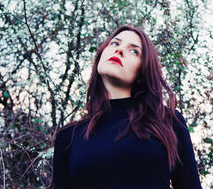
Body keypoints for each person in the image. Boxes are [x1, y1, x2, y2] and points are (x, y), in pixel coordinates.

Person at [52, 25, 202, 189]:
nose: (120, 50)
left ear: (142, 72)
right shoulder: (68, 137)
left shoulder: (168, 121)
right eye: (115, 44)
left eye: (134, 51)